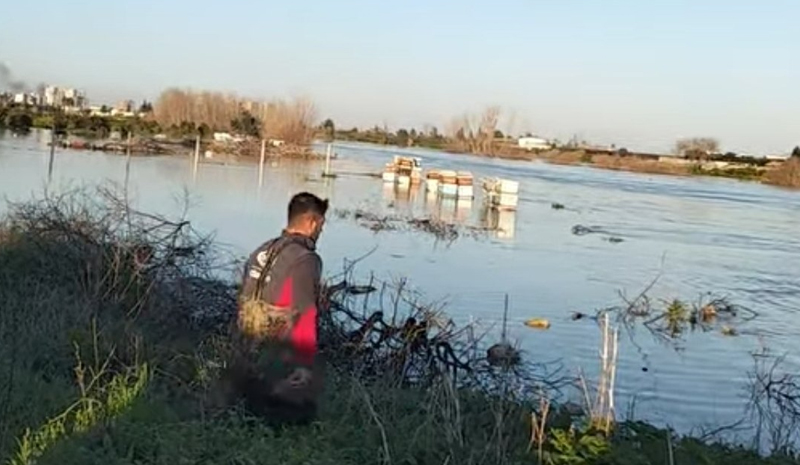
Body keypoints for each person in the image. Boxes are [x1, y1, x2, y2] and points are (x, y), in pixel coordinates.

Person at [233, 192, 328, 424]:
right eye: (321, 226)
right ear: (311, 222)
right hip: (277, 362)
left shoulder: (262, 251)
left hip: (244, 355)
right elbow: (305, 314)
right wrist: (304, 366)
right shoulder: (305, 259)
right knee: (304, 413)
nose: (321, 232)